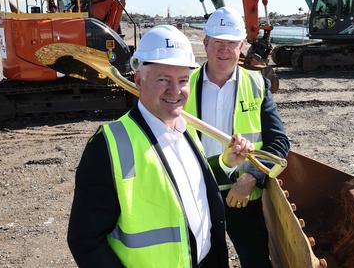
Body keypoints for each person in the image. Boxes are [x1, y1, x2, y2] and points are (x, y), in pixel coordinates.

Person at [67, 25, 254, 268]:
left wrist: (225, 163)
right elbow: (85, 241)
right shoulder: (109, 144)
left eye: (183, 80)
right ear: (138, 79)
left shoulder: (184, 127)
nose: (175, 91)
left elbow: (185, 186)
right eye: (163, 79)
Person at [184, 7, 290, 268]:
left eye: (231, 43)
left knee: (255, 261)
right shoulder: (183, 86)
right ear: (205, 43)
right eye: (217, 42)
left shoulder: (257, 84)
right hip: (198, 195)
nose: (224, 50)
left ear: (241, 46)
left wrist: (253, 177)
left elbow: (279, 143)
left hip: (243, 195)